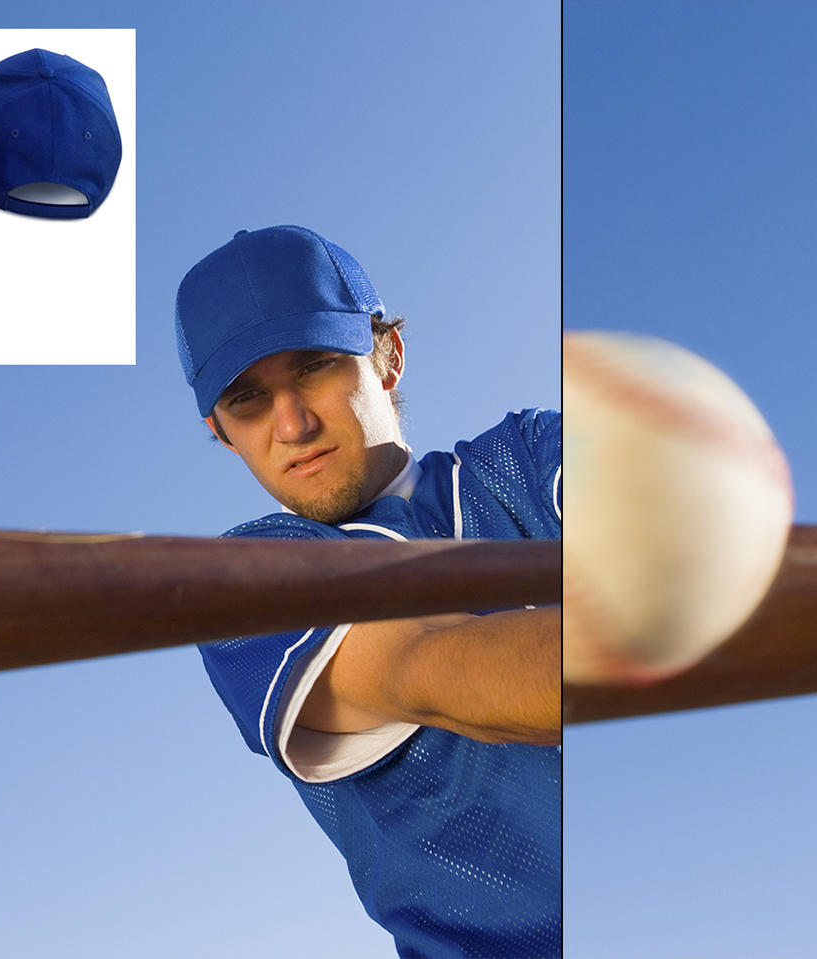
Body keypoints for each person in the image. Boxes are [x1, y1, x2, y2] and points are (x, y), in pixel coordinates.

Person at [174, 225, 560, 958]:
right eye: (248, 399)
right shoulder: (242, 585)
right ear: (221, 432)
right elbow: (441, 670)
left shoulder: (528, 457)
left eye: (315, 364)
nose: (292, 424)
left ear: (388, 357)